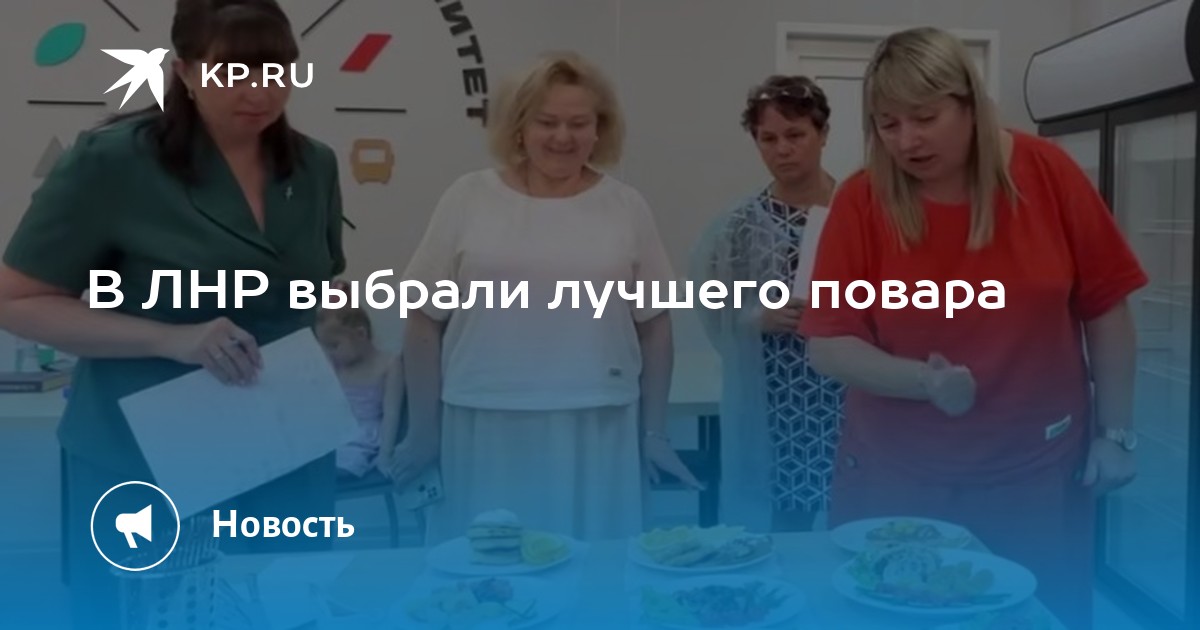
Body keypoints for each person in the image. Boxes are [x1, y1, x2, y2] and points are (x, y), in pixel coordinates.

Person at [0, 0, 345, 627]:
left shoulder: (314, 164)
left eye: (276, 70)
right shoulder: (112, 162)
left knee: (288, 610)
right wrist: (170, 338)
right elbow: (16, 300)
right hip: (143, 456)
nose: (259, 91)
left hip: (285, 449)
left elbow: (311, 294)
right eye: (232, 71)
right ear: (185, 72)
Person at [799, 27, 1144, 630]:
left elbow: (1107, 307)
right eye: (887, 124)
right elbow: (829, 343)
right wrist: (923, 382)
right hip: (898, 477)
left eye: (925, 118)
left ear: (970, 106)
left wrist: (1116, 433)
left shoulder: (1049, 174)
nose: (906, 140)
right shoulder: (862, 200)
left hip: (1035, 473)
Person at [395, 51, 701, 544]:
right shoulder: (468, 197)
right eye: (547, 122)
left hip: (598, 423)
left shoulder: (625, 206)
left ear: (599, 130)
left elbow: (655, 327)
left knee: (593, 569)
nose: (563, 137)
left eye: (579, 123)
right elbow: (423, 320)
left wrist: (655, 433)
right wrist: (423, 431)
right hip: (484, 421)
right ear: (519, 127)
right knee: (487, 569)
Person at [690, 75, 843, 533]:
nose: (783, 150)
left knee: (853, 509)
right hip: (779, 395)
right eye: (768, 139)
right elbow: (712, 302)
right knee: (787, 516)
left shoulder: (857, 211)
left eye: (796, 135)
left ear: (823, 134)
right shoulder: (741, 224)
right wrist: (755, 317)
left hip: (852, 386)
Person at [314, 303, 402, 479]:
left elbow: (392, 413)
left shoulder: (389, 364)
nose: (330, 353)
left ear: (361, 334)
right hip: (336, 430)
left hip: (363, 435)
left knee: (345, 461)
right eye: (325, 347)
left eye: (334, 345)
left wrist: (385, 454)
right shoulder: (336, 366)